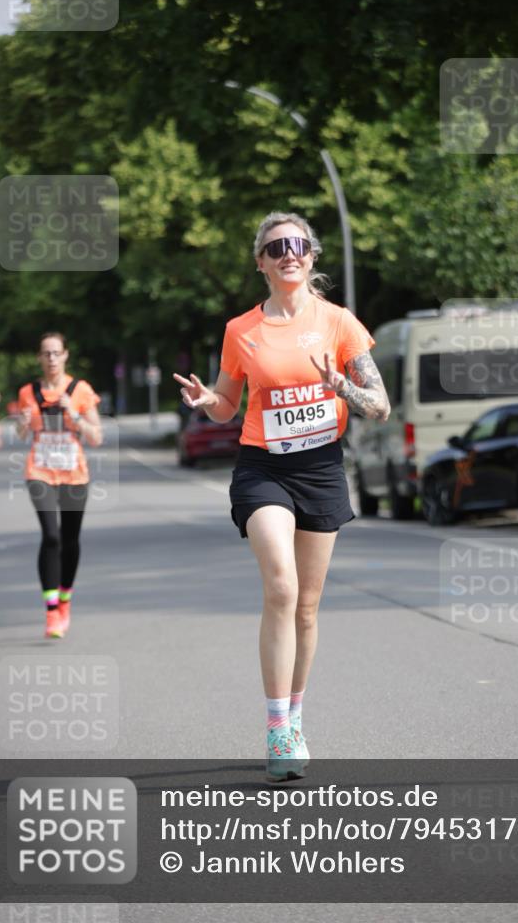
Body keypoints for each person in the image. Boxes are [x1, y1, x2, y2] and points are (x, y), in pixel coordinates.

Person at [174, 211, 390, 782]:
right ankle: (276, 729)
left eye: (297, 244)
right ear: (261, 264)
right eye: (275, 248)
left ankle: (294, 718)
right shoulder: (240, 330)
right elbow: (228, 405)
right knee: (281, 586)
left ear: (311, 255)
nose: (288, 253)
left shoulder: (339, 322)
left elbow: (380, 406)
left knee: (308, 606)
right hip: (263, 468)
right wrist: (208, 402)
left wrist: (339, 385)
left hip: (321, 469)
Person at [16, 333, 102, 639]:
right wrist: (23, 423)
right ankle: (51, 611)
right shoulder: (28, 392)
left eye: (56, 353)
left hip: (74, 475)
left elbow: (96, 437)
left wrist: (74, 413)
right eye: (46, 353)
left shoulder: (80, 390)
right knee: (51, 537)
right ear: (39, 358)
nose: (51, 358)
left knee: (70, 539)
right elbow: (22, 434)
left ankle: (65, 598)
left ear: (65, 355)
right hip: (39, 471)